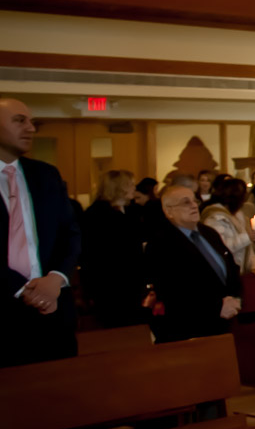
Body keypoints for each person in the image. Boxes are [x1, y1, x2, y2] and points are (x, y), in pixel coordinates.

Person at [0, 99, 80, 366]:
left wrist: (56, 279)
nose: (31, 128)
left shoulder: (46, 175)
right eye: (19, 120)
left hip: (54, 311)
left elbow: (70, 233)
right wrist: (25, 289)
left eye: (31, 121)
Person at [145, 184, 242, 343]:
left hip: (225, 323)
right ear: (169, 211)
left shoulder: (208, 233)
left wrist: (236, 298)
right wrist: (217, 307)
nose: (194, 205)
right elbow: (173, 290)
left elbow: (231, 268)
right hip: (190, 330)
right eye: (185, 202)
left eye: (194, 200)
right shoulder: (160, 244)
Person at [81, 169, 148, 327]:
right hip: (110, 285)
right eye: (130, 184)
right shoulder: (95, 215)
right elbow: (91, 255)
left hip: (133, 282)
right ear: (118, 187)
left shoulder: (132, 211)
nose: (134, 188)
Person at [202, 175, 255, 276]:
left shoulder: (238, 215)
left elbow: (248, 249)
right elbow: (220, 247)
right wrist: (247, 237)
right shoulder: (215, 218)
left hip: (239, 272)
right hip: (223, 273)